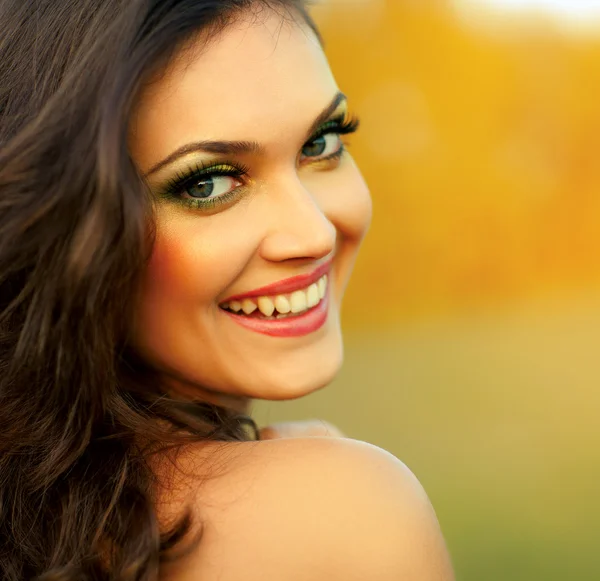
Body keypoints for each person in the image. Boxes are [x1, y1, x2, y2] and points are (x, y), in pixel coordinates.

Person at [0, 1, 455, 579]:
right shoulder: (343, 515)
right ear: (62, 224)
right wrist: (322, 487)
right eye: (207, 182)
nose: (313, 233)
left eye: (320, 145)